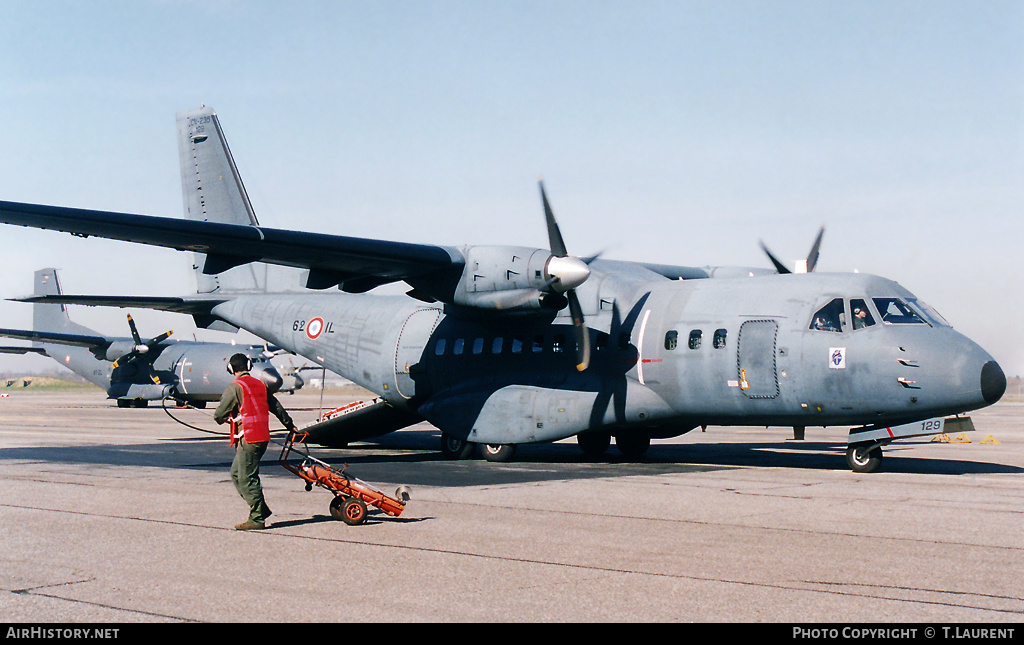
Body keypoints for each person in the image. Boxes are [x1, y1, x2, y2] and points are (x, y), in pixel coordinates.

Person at [214, 353, 295, 531]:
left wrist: (221, 418)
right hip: (262, 437)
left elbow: (219, 415)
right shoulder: (261, 384)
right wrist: (290, 425)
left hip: (249, 438)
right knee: (236, 473)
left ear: (231, 369)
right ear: (248, 366)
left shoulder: (235, 387)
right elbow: (276, 407)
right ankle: (261, 508)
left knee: (246, 478)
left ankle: (257, 517)